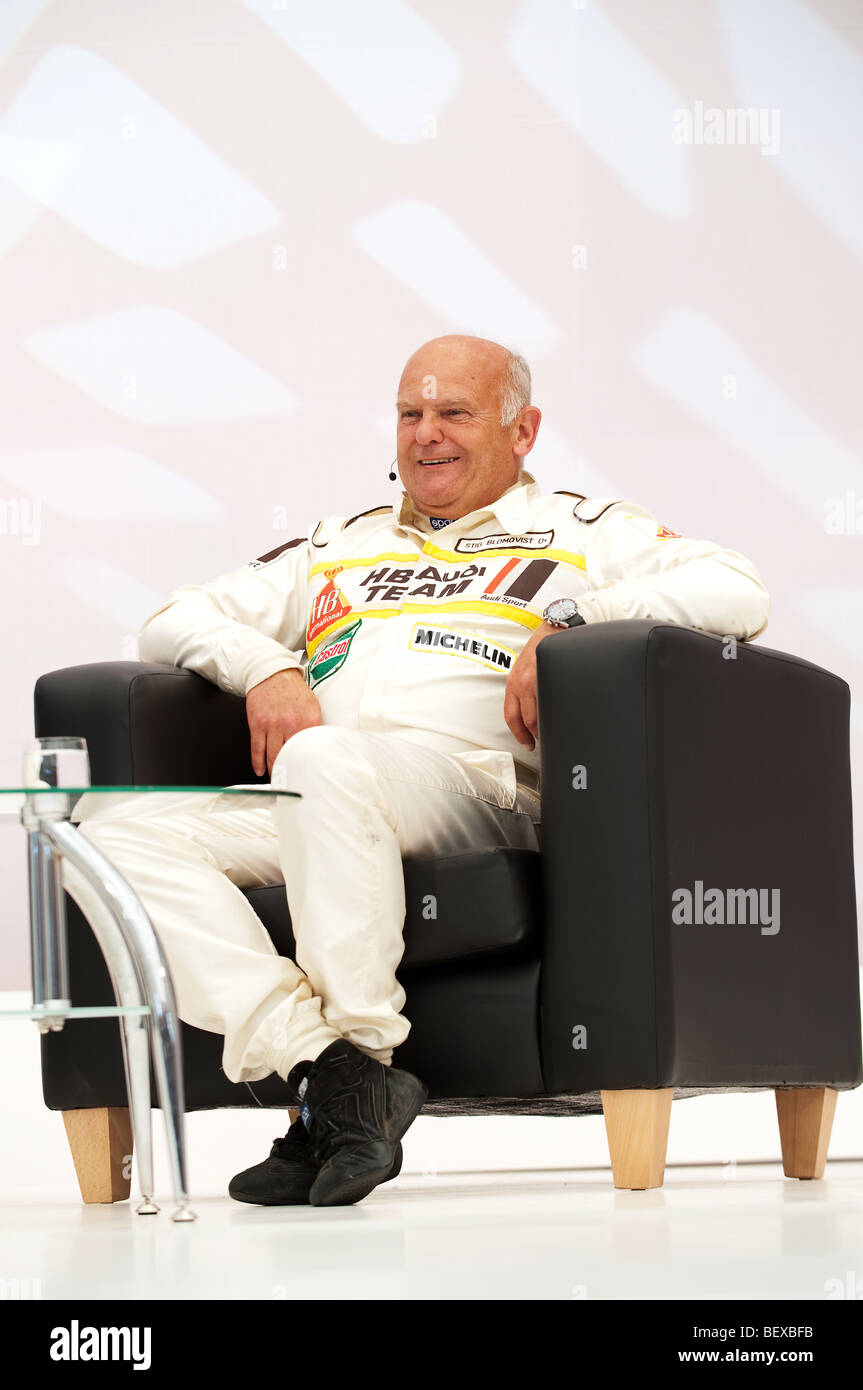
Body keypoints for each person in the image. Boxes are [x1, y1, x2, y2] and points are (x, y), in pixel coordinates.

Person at [61, 334, 770, 1208]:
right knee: (99, 831)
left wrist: (573, 618)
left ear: (522, 430)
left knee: (320, 757)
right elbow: (172, 620)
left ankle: (353, 1071)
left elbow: (738, 590)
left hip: (473, 792)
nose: (426, 434)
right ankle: (328, 1072)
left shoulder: (583, 532)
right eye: (410, 413)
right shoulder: (337, 544)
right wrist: (268, 669)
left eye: (454, 413)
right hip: (325, 790)